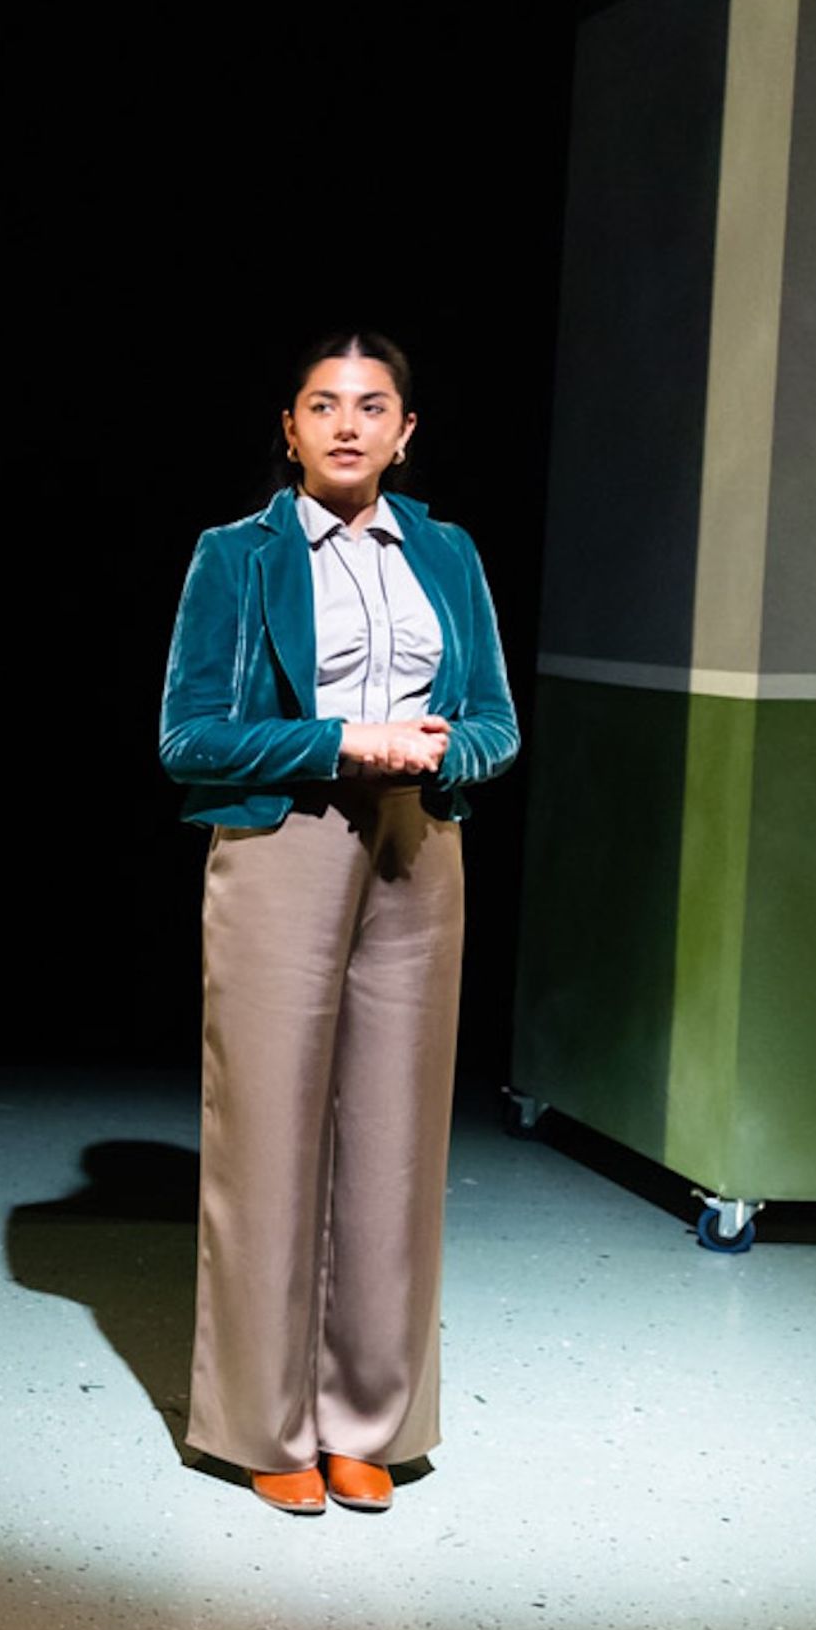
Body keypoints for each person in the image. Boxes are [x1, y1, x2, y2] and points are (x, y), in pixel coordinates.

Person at [156, 332, 519, 1515]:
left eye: (373, 406)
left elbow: (498, 721)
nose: (349, 425)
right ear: (291, 427)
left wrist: (442, 750)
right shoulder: (236, 555)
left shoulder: (451, 554)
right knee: (266, 1133)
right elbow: (188, 738)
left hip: (422, 843)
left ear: (407, 432)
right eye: (325, 405)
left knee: (395, 1143)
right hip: (287, 839)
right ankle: (265, 1426)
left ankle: (367, 1417)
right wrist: (340, 741)